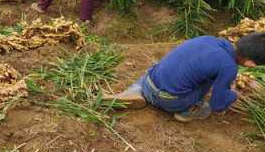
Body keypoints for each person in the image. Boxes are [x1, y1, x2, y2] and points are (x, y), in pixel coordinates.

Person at [104, 33, 265, 122]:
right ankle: (187, 111)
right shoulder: (229, 67)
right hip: (169, 100)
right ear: (250, 64)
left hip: (149, 83)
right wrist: (233, 95)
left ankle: (133, 91)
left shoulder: (208, 39)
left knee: (162, 68)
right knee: (207, 102)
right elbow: (218, 105)